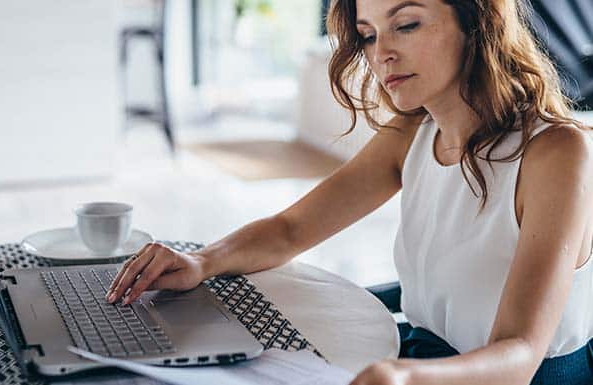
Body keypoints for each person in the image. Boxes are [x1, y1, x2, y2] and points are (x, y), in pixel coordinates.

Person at [106, 0, 593, 384]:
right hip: (421, 363)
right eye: (367, 34)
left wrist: (402, 378)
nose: (382, 52)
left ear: (477, 21)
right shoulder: (413, 132)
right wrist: (201, 262)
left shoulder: (556, 151)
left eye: (406, 24)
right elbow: (291, 229)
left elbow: (520, 356)